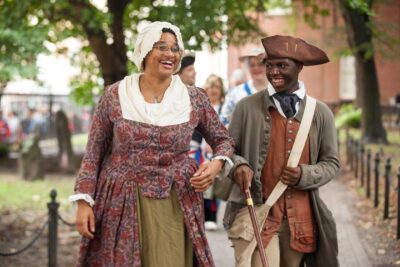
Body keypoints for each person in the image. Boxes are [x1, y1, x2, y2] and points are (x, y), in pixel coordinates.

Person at [69, 21, 235, 267]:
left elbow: (223, 140)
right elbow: (93, 153)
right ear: (146, 50)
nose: (170, 53)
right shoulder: (115, 95)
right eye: (162, 47)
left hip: (175, 201)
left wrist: (216, 165)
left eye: (175, 48)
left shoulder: (193, 98)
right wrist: (84, 202)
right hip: (121, 200)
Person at [224, 35, 340, 267]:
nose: (274, 72)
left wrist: (304, 175)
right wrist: (238, 165)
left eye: (282, 66)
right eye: (270, 66)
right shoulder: (246, 107)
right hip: (258, 215)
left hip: (301, 221)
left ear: (299, 67)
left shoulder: (321, 113)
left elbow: (332, 163)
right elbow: (226, 151)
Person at [220, 47, 268, 126]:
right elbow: (224, 120)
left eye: (260, 64)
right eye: (252, 65)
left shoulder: (276, 91)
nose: (256, 68)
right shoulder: (236, 93)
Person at [203, 74, 226, 230]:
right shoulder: (202, 107)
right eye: (211, 87)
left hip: (218, 150)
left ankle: (212, 216)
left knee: (215, 183)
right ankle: (204, 217)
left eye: (217, 87)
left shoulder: (225, 109)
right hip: (200, 150)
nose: (214, 90)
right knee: (204, 183)